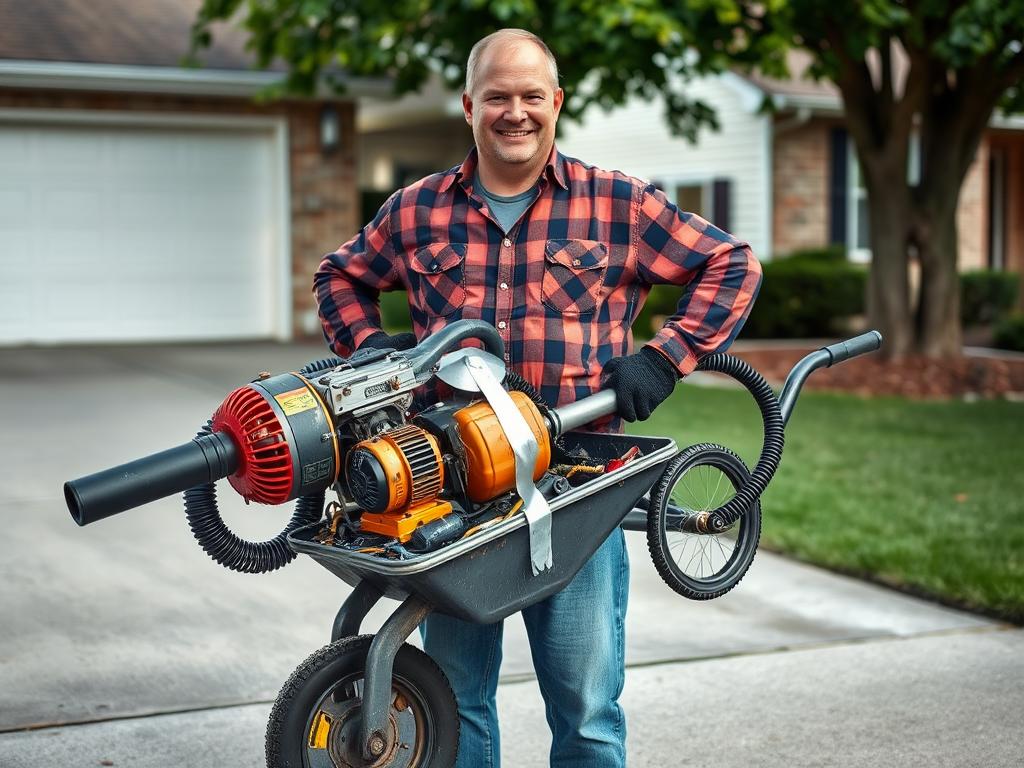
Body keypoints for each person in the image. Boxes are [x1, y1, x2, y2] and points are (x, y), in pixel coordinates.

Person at [314, 28, 761, 768]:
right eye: (497, 96)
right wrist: (369, 353)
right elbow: (340, 276)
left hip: (579, 486)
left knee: (586, 711)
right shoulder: (417, 210)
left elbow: (731, 263)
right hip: (451, 497)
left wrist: (664, 358)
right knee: (453, 704)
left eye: (530, 96)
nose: (514, 112)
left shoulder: (617, 203)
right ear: (468, 106)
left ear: (556, 102)